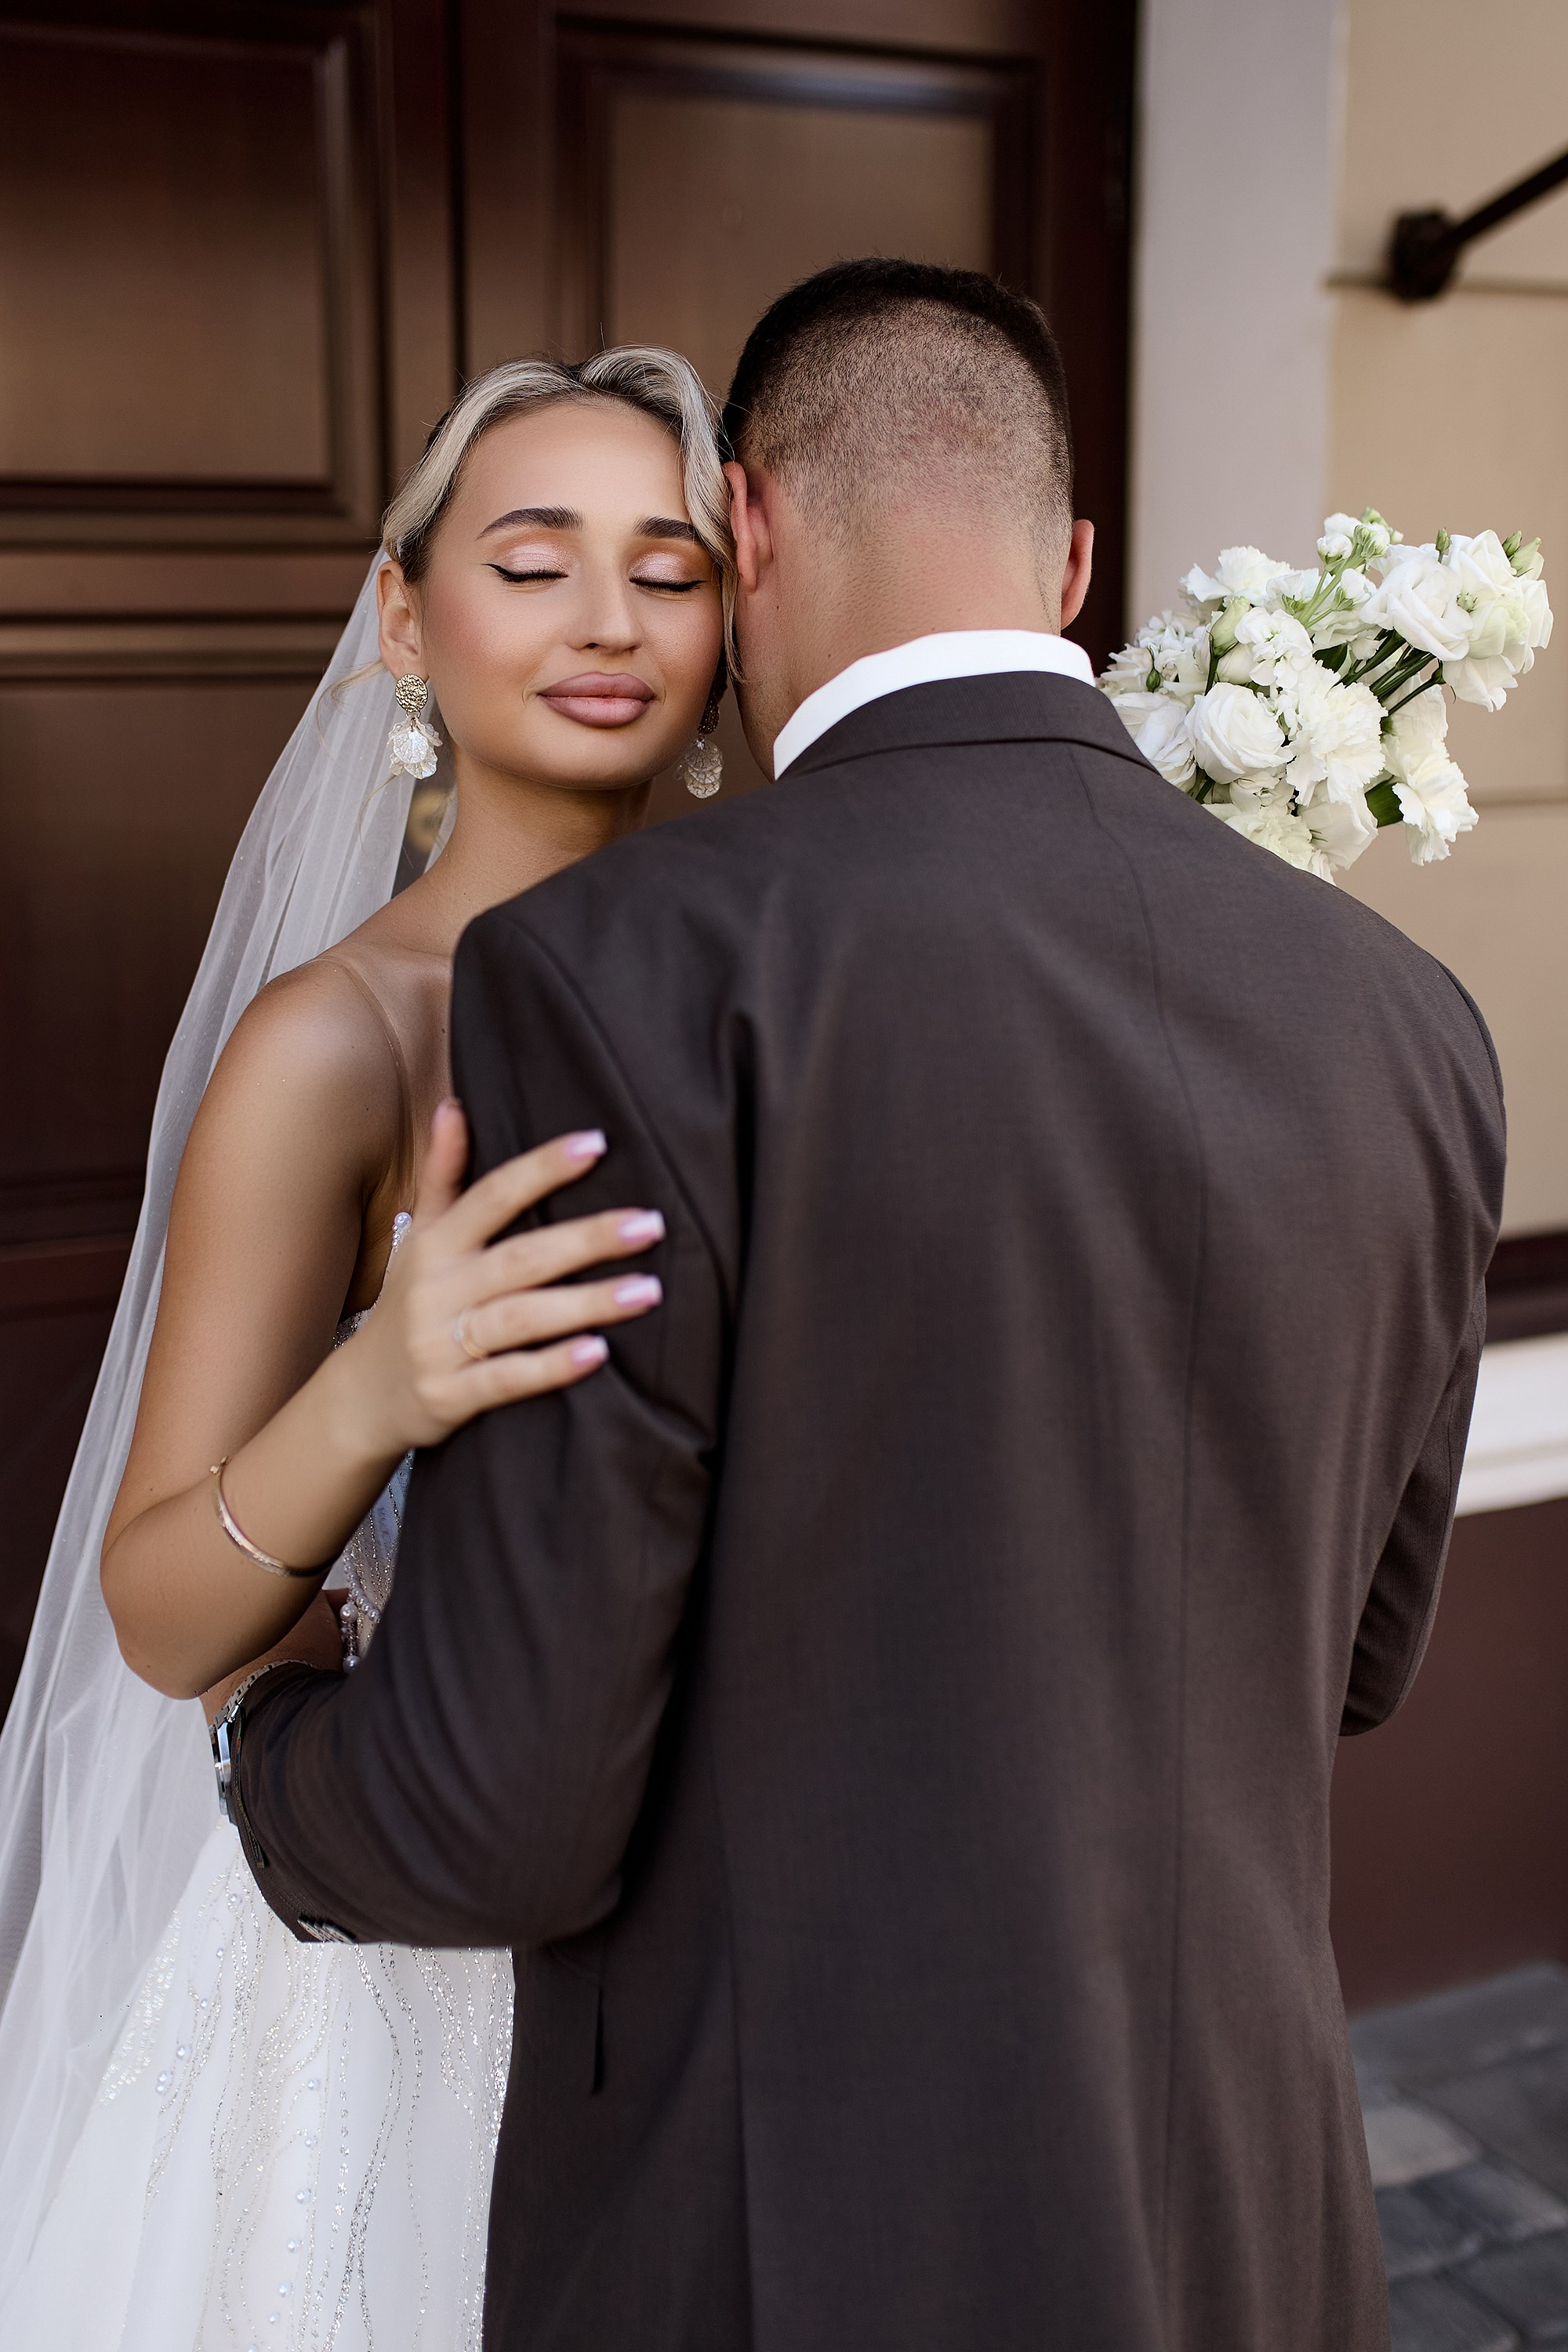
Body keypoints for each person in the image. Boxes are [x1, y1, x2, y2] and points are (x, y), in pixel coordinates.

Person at [229, 260, 1504, 2351]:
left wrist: (262, 1757)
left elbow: (503, 1812)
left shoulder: (619, 974)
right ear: (1076, 558)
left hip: (791, 2234)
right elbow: (1351, 1659)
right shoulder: (1411, 1022)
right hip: (1249, 2213)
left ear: (748, 528)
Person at [0, 346, 734, 2348]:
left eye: (670, 568)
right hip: (419, 1937)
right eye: (534, 560)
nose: (609, 622)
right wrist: (379, 1384)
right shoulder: (338, 1040)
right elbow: (159, 1614)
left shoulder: (796, 975)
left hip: (735, 1928)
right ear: (408, 615)